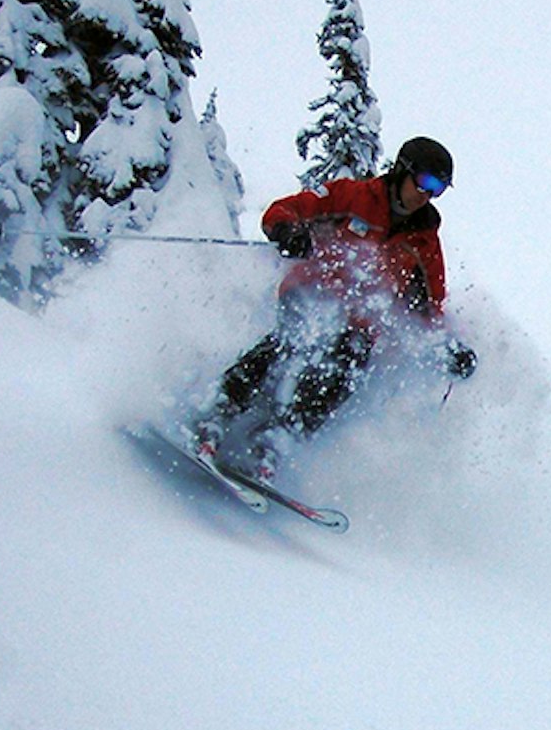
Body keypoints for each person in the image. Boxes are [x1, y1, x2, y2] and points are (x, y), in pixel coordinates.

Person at [189, 135, 475, 482]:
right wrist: (287, 230)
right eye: (426, 182)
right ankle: (219, 410)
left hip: (360, 324)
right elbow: (284, 210)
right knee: (296, 337)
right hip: (313, 291)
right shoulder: (353, 197)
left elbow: (430, 307)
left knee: (348, 365)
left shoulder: (424, 242)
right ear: (403, 170)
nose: (428, 194)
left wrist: (448, 346)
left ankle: (275, 440)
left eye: (439, 189)